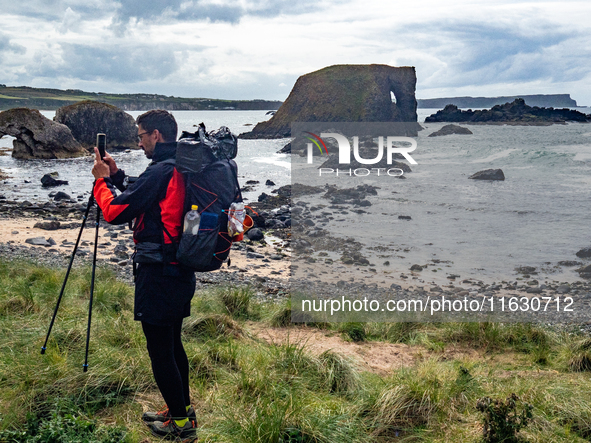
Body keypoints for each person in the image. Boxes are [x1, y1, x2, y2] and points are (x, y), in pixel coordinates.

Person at [91, 110, 197, 442]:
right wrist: (118, 174)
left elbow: (115, 211)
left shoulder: (162, 170)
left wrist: (100, 181)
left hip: (159, 273)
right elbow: (148, 196)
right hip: (181, 269)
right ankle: (181, 409)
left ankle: (180, 425)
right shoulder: (180, 165)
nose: (138, 143)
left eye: (140, 136)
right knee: (173, 342)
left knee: (160, 349)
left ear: (155, 134)